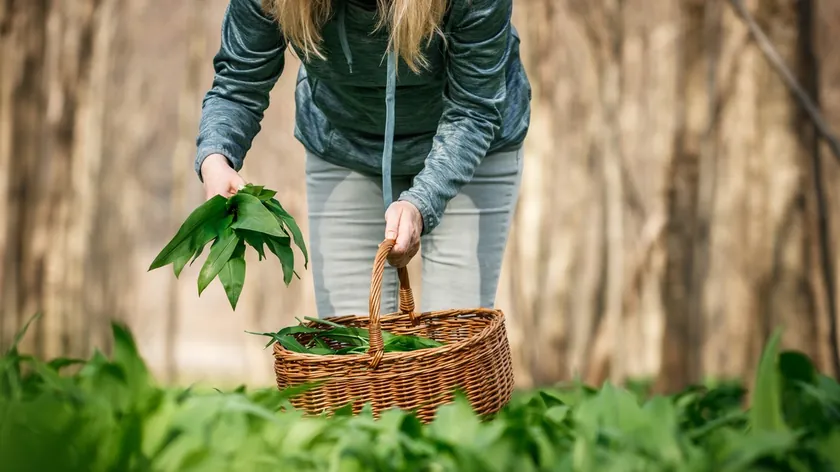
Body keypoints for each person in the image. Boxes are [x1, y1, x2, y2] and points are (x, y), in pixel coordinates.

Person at [195, 0, 531, 318]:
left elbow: (473, 110)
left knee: (454, 346)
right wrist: (216, 158)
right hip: (345, 144)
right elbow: (238, 81)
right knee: (352, 346)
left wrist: (421, 203)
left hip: (470, 149)